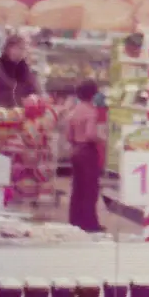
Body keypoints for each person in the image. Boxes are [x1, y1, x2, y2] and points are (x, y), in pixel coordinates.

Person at [62, 80, 104, 233]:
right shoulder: (91, 111)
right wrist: (102, 140)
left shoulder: (73, 111)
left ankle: (75, 220)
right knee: (90, 189)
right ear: (94, 94)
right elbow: (91, 134)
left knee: (77, 188)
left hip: (75, 151)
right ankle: (90, 223)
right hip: (87, 151)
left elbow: (68, 136)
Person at [0, 34, 38, 109]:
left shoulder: (24, 68)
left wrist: (33, 96)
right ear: (8, 49)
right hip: (0, 112)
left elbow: (33, 88)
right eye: (19, 48)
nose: (22, 52)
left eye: (24, 49)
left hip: (21, 112)